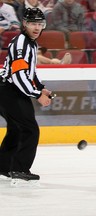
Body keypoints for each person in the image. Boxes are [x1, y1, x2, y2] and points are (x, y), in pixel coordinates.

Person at [0, 8, 52, 185]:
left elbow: (30, 72)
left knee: (16, 128)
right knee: (30, 130)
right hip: (9, 90)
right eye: (33, 24)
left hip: (7, 90)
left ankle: (4, 168)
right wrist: (37, 94)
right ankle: (20, 170)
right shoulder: (22, 43)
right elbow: (19, 75)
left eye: (40, 24)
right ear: (24, 24)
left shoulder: (30, 42)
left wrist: (41, 87)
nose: (37, 27)